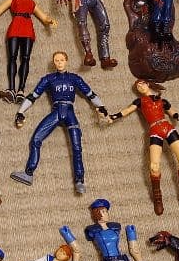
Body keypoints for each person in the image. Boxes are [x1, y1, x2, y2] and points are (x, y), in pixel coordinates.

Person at [12, 51, 108, 194]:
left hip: (69, 112)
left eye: (62, 60)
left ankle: (80, 180)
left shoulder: (75, 78)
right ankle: (28, 173)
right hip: (56, 112)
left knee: (77, 147)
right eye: (56, 60)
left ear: (66, 61)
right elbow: (33, 96)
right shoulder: (48, 79)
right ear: (54, 62)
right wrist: (21, 111)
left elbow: (90, 94)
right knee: (36, 139)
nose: (59, 63)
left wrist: (101, 106)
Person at [108, 79, 179, 214]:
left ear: (148, 84)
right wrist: (113, 116)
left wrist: (178, 116)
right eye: (137, 86)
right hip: (155, 131)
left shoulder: (163, 101)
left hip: (168, 128)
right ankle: (158, 199)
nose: (140, 87)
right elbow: (127, 110)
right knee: (154, 166)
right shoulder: (139, 101)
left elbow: (172, 112)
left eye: (141, 84)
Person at [0, 0, 57, 98]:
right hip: (14, 28)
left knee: (26, 58)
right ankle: (11, 88)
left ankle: (21, 90)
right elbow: (0, 9)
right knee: (12, 57)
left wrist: (49, 20)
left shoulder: (31, 2)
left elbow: (43, 16)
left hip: (28, 30)